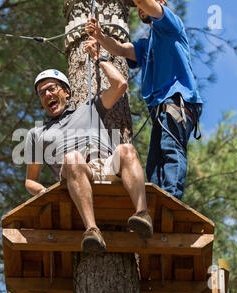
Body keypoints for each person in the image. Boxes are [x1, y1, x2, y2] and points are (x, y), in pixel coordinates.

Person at [24, 36, 153, 254]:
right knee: (73, 158)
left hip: (105, 165)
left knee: (127, 149)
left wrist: (98, 57)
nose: (47, 94)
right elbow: (30, 181)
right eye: (42, 92)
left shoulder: (90, 108)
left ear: (66, 91)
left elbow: (120, 84)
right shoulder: (37, 133)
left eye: (52, 88)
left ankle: (142, 214)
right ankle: (92, 230)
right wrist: (46, 192)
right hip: (75, 175)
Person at [85, 0, 203, 200]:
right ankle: (158, 202)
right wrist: (100, 36)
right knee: (154, 165)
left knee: (171, 150)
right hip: (160, 108)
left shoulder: (171, 24)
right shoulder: (147, 44)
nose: (139, 7)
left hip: (176, 101)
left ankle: (171, 201)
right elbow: (122, 49)